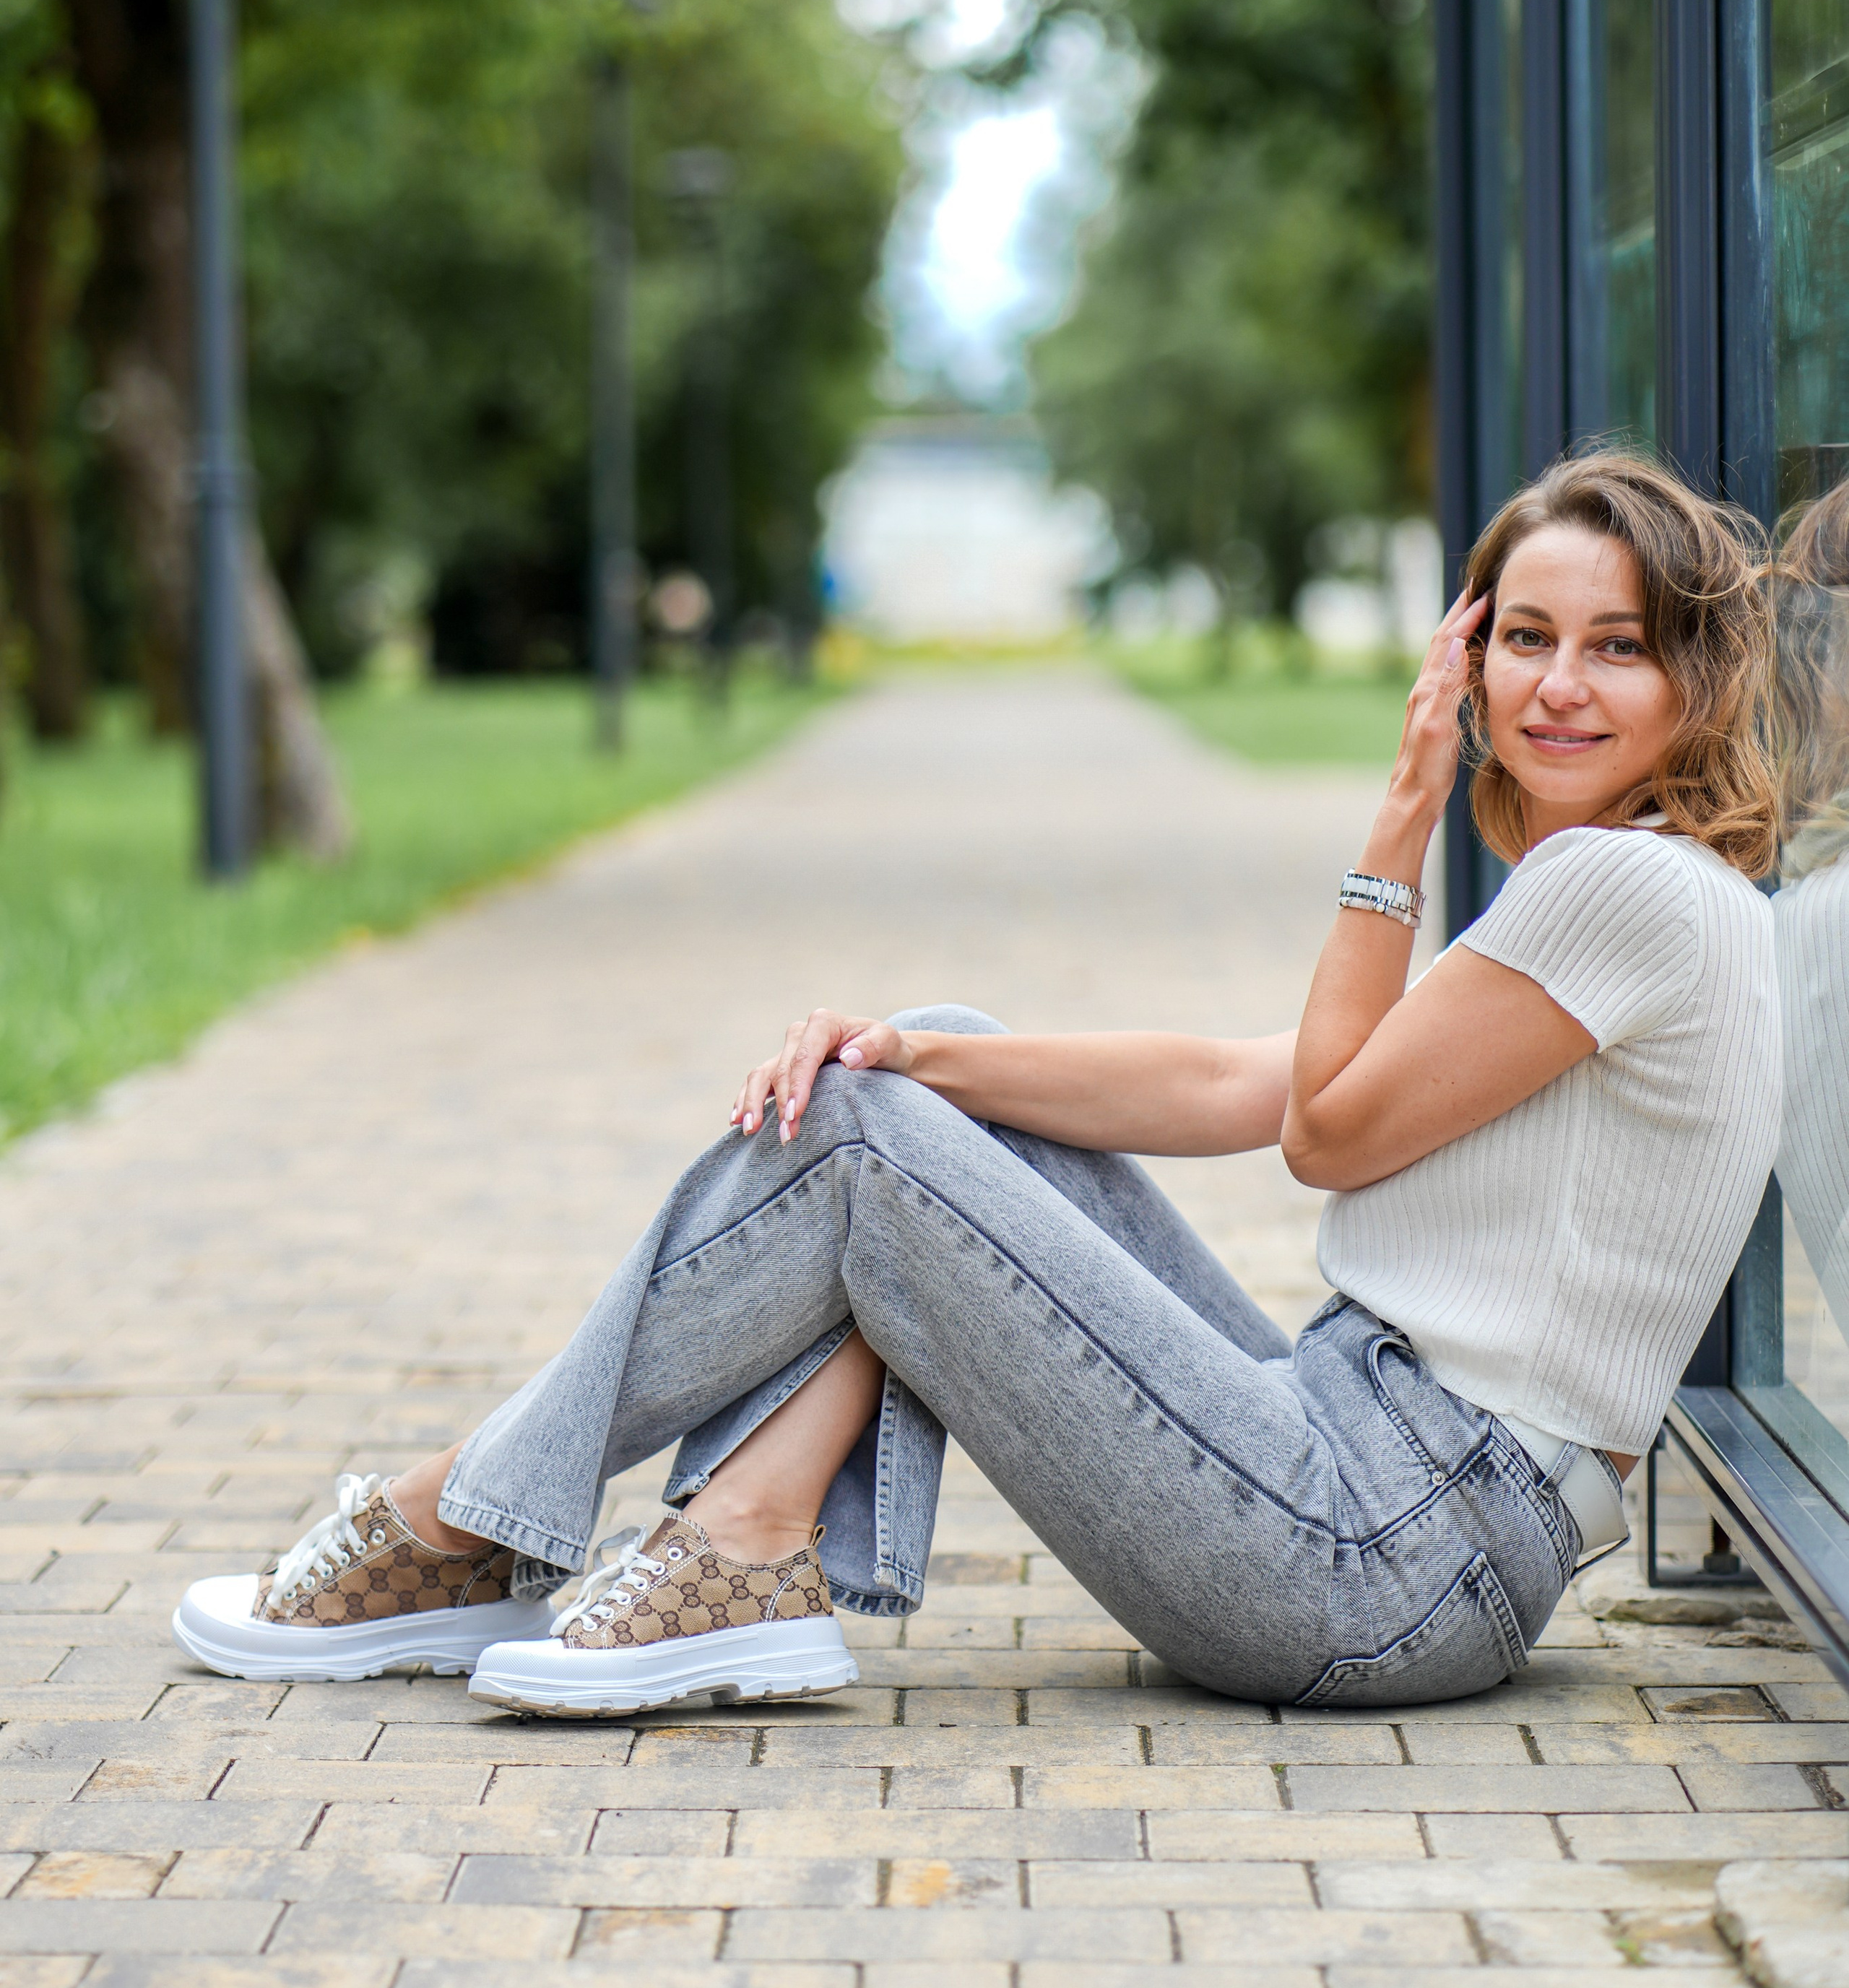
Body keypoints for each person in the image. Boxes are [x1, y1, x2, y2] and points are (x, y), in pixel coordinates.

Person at [173, 450, 1782, 1715]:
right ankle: (741, 1544)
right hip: (1380, 1479)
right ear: (1469, 652)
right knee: (917, 1083)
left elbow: (1320, 1128)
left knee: (874, 1150)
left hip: (1387, 1550)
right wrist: (915, 1047)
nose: (1556, 682)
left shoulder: (1624, 892)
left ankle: (457, 1517)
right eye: (1523, 637)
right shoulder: (1633, 892)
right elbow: (1251, 1077)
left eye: (1614, 647)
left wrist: (1393, 825)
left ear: (1689, 680)